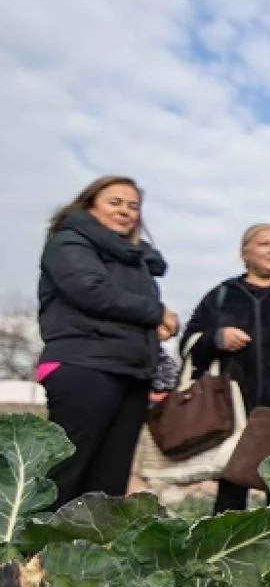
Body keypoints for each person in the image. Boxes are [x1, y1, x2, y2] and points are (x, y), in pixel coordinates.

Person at [35, 176, 179, 509]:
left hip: (131, 372)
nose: (125, 211)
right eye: (115, 202)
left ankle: (91, 542)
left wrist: (150, 331)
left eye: (133, 206)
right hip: (84, 365)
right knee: (66, 472)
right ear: (89, 206)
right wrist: (156, 312)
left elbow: (124, 309)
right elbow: (91, 291)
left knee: (109, 484)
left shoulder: (136, 261)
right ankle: (34, 540)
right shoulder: (69, 242)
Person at [181, 223, 270, 513]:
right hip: (234, 408)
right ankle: (225, 539)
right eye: (264, 244)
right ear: (245, 252)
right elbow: (188, 343)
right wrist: (217, 338)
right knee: (231, 488)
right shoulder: (222, 295)